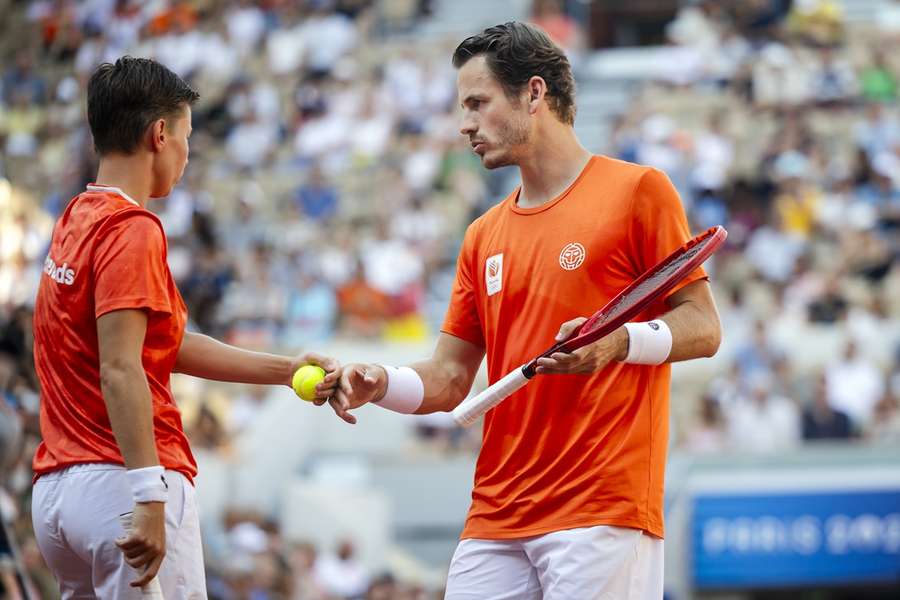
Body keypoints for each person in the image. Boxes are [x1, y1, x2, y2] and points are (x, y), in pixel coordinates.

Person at [332, 22, 722, 599]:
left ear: (534, 94)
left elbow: (704, 326)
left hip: (602, 508)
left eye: (477, 103)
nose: (464, 124)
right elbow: (448, 379)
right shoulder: (482, 235)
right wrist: (379, 381)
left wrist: (619, 343)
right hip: (495, 515)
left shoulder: (639, 190)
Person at [30, 57, 341, 599]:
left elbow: (165, 345)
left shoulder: (75, 217)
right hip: (124, 486)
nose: (187, 153)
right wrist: (148, 494)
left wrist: (286, 369)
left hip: (59, 495)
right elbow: (121, 367)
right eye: (186, 136)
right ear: (159, 134)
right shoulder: (133, 230)